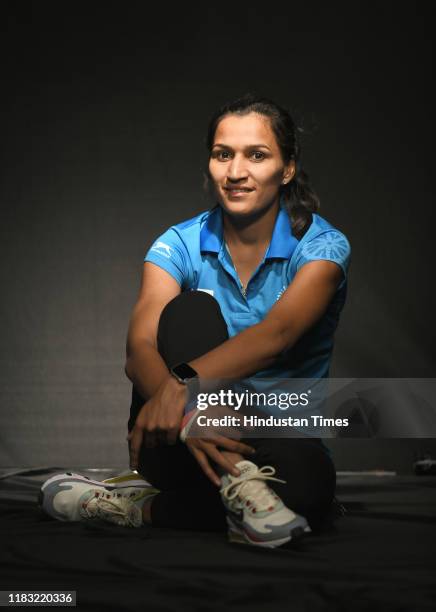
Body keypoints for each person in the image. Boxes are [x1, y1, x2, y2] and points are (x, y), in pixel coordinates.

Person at [39, 93, 351, 549]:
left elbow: (276, 335)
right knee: (190, 311)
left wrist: (185, 383)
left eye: (257, 155)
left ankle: (128, 506)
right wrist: (191, 410)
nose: (236, 172)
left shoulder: (322, 248)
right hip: (176, 436)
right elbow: (139, 348)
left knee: (307, 498)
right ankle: (240, 488)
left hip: (270, 437)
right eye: (223, 154)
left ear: (286, 169)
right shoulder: (177, 244)